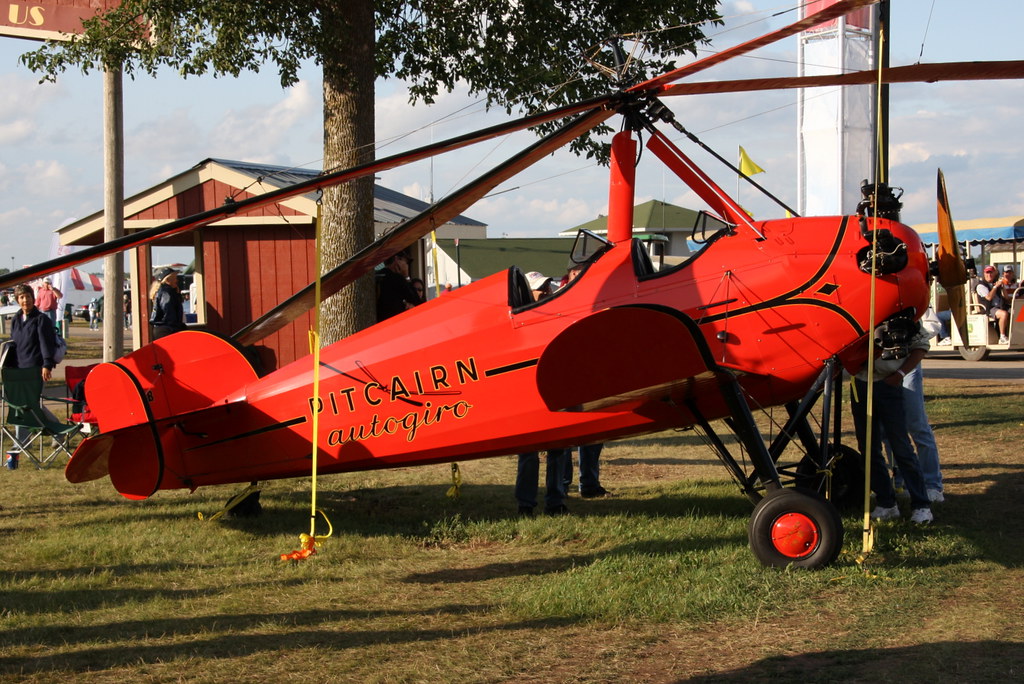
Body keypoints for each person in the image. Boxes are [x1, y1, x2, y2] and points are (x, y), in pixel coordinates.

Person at [851, 326, 933, 524]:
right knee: (868, 448)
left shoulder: (898, 313)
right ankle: (886, 502)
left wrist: (899, 374)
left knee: (900, 446)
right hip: (861, 383)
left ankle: (921, 505)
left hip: (888, 383)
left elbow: (921, 346)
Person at [515, 272, 570, 515]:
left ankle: (555, 502)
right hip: (528, 392)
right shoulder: (519, 319)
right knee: (529, 452)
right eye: (541, 288)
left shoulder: (554, 315)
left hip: (554, 387)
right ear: (529, 292)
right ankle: (526, 504)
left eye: (548, 286)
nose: (547, 291)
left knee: (558, 449)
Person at [376, 251, 419, 321]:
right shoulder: (397, 279)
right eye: (406, 262)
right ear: (397, 259)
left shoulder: (379, 275)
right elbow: (416, 301)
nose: (407, 265)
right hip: (392, 322)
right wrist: (406, 276)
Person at [149, 267, 186, 339]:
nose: (177, 280)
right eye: (175, 278)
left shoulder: (164, 291)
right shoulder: (167, 293)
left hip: (163, 329)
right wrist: (177, 327)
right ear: (168, 280)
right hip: (167, 330)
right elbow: (168, 311)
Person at [976, 265, 1009, 344]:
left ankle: (1015, 335)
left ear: (994, 274)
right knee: (1003, 314)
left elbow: (1007, 298)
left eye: (991, 273)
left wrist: (1002, 287)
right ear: (984, 274)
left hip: (999, 306)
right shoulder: (981, 285)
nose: (989, 275)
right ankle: (1002, 337)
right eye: (987, 273)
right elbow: (989, 298)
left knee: (1016, 311)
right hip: (988, 308)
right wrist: (995, 287)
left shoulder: (995, 283)